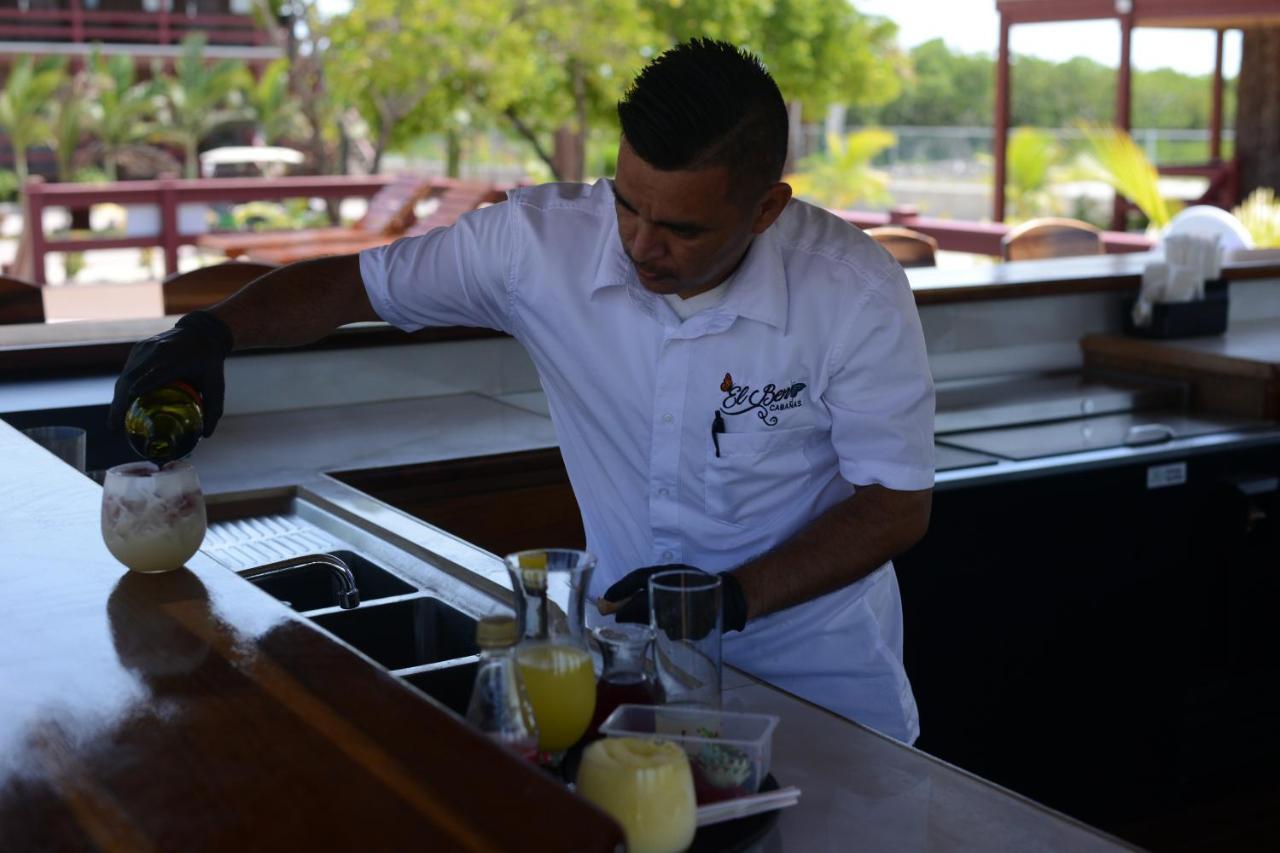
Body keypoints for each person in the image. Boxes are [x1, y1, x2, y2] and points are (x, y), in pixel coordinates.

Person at [109, 38, 935, 744]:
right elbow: (356, 286)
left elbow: (896, 505)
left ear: (765, 210)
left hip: (825, 691)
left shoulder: (854, 293)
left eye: (683, 228)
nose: (643, 246)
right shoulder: (536, 248)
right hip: (632, 677)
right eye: (627, 205)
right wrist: (212, 333)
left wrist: (734, 596)